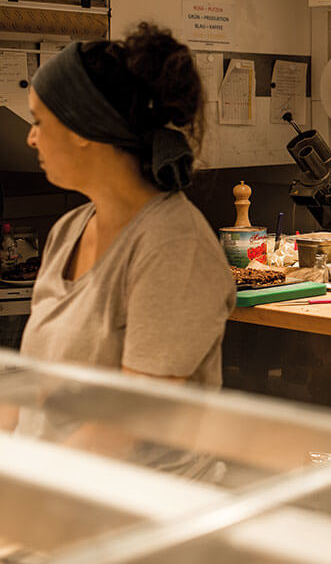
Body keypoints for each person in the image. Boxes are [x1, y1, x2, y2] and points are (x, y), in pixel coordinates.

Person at [16, 23, 234, 468]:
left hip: (134, 511)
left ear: (81, 128)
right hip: (51, 497)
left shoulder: (174, 246)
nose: (30, 137)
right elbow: (26, 391)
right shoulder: (69, 230)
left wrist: (22, 501)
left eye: (40, 121)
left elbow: (122, 429)